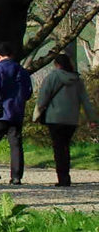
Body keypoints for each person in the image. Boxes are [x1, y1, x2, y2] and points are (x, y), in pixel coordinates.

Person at [29, 54, 96, 188]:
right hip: (71, 119)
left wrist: (36, 114)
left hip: (54, 118)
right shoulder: (77, 80)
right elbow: (86, 101)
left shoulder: (52, 77)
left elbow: (42, 99)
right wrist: (92, 119)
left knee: (58, 148)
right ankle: (66, 175)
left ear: (56, 64)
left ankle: (63, 178)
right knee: (66, 146)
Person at [0, 47, 34, 184]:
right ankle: (16, 176)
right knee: (15, 143)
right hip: (17, 111)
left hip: (1, 112)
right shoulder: (22, 70)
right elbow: (28, 92)